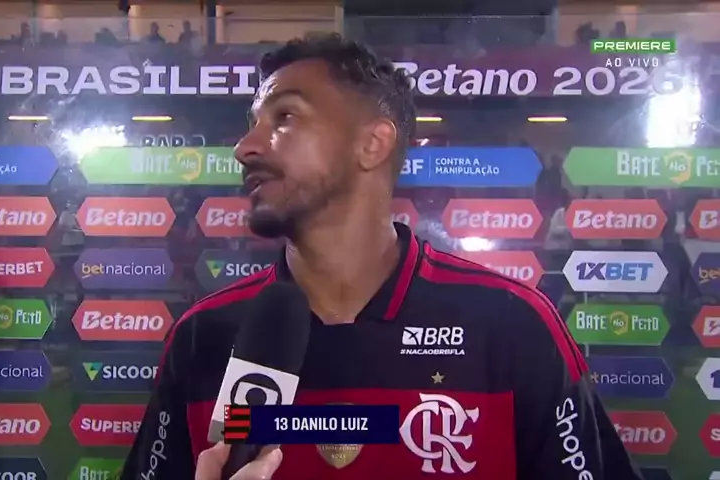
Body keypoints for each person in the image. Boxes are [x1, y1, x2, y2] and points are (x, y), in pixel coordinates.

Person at [123, 33, 641, 480]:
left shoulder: (512, 325)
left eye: (285, 117)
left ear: (373, 144)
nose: (245, 147)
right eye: (253, 122)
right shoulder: (203, 337)